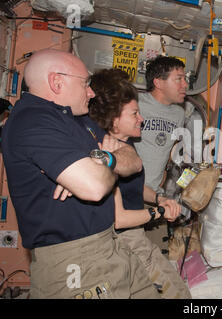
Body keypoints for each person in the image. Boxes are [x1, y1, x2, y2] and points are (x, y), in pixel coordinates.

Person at [1, 49, 160, 299]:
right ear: (56, 81)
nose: (91, 92)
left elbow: (133, 160)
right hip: (75, 259)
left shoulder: (80, 121)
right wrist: (103, 166)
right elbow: (95, 187)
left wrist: (103, 161)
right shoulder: (32, 121)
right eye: (85, 83)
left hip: (110, 246)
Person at [85, 68, 192, 299]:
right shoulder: (108, 154)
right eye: (134, 114)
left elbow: (132, 188)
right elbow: (119, 218)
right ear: (114, 120)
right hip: (123, 240)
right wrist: (160, 211)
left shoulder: (127, 148)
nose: (141, 119)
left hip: (136, 235)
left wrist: (158, 198)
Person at [134, 55, 187, 194]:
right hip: (127, 192)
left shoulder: (179, 114)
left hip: (154, 193)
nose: (185, 84)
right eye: (179, 79)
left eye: (185, 79)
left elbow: (169, 149)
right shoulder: (136, 104)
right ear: (158, 83)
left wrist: (165, 170)